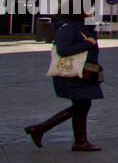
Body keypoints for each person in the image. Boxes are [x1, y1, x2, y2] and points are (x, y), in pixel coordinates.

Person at [25, 8, 103, 152]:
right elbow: (63, 50)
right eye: (88, 10)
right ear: (77, 11)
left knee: (82, 104)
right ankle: (75, 139)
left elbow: (91, 35)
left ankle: (77, 140)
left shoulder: (80, 26)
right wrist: (88, 43)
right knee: (82, 104)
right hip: (71, 73)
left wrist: (91, 29)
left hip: (81, 73)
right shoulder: (67, 27)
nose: (92, 12)